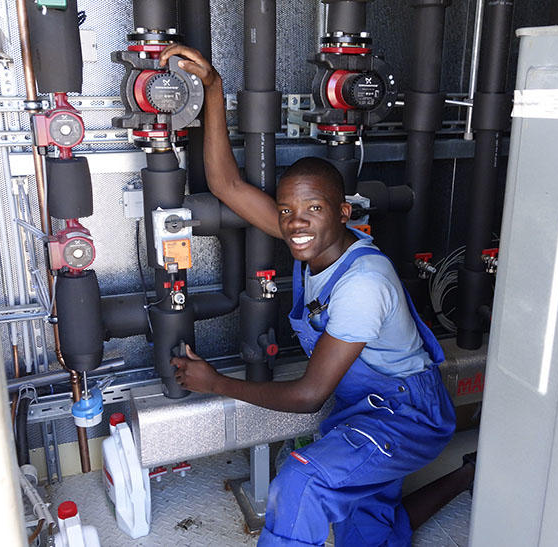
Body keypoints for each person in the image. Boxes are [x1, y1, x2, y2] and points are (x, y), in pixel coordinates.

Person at [162, 44, 464, 546]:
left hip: (404, 414)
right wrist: (212, 88)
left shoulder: (362, 284)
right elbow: (225, 182)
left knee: (303, 479)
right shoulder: (311, 242)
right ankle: (465, 478)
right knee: (364, 528)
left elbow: (308, 397)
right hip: (363, 406)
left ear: (343, 213)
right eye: (285, 211)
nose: (295, 223)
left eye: (313, 209)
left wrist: (215, 383)